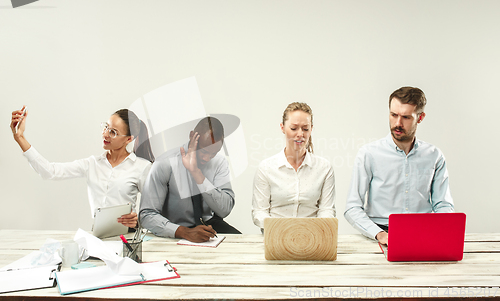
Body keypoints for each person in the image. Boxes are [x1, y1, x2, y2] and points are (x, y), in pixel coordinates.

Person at [10, 106, 154, 228]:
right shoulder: (92, 164)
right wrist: (20, 138)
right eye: (106, 127)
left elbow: (154, 211)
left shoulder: (142, 167)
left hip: (128, 239)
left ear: (129, 139)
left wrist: (137, 221)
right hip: (98, 238)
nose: (105, 134)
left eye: (113, 132)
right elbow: (50, 171)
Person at [344, 87, 454, 245]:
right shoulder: (369, 154)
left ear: (420, 117)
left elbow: (443, 204)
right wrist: (380, 235)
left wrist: (441, 230)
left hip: (424, 232)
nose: (398, 123)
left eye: (406, 117)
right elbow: (352, 207)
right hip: (380, 234)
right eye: (393, 115)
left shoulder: (434, 156)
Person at [140, 116, 240, 242]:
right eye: (203, 151)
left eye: (213, 153)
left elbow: (224, 210)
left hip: (209, 224)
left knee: (245, 245)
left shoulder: (219, 163)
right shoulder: (164, 163)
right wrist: (185, 232)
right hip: (175, 227)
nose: (207, 158)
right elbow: (146, 215)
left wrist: (196, 172)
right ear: (192, 135)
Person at [252, 102, 336, 230]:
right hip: (276, 235)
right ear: (282, 127)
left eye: (305, 129)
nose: (300, 134)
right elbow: (259, 212)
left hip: (312, 236)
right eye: (294, 128)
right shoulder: (266, 168)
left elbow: (327, 210)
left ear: (311, 129)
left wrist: (316, 231)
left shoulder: (324, 168)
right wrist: (281, 229)